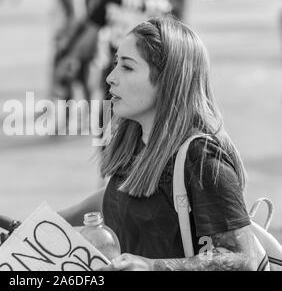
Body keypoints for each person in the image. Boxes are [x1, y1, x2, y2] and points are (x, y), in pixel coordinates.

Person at [59, 17, 267, 271]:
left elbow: (243, 259)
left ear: (167, 79)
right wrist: (39, 224)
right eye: (115, 64)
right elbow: (120, 197)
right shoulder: (134, 138)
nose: (111, 78)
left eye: (127, 67)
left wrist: (153, 266)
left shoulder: (201, 158)